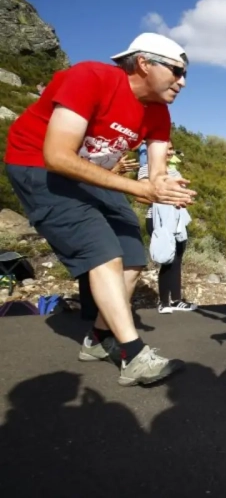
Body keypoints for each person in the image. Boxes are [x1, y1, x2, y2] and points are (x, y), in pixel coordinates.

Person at [3, 32, 194, 386]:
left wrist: (161, 187)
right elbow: (58, 156)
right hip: (38, 165)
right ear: (144, 63)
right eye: (177, 71)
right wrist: (140, 188)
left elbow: (154, 173)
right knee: (103, 254)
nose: (182, 82)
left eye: (186, 75)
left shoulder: (159, 114)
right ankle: (134, 354)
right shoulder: (91, 77)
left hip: (90, 174)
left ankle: (97, 339)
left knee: (132, 257)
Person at [138, 141, 197, 313]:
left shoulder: (174, 171)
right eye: (168, 149)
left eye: (172, 148)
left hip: (177, 220)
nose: (171, 152)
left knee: (177, 260)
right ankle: (164, 302)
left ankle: (177, 300)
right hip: (158, 221)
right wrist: (164, 199)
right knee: (167, 260)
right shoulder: (147, 169)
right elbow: (139, 196)